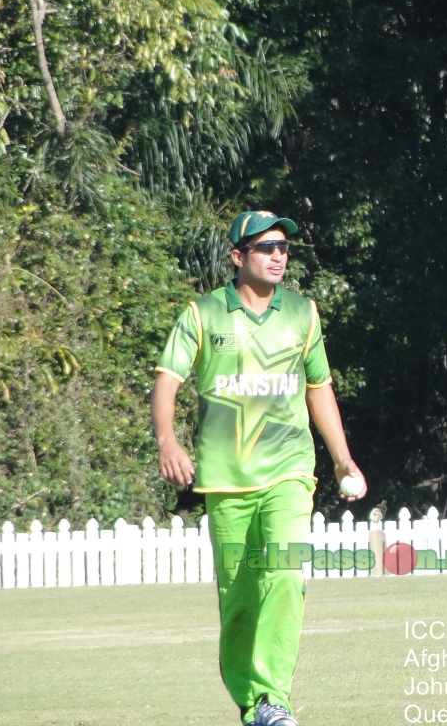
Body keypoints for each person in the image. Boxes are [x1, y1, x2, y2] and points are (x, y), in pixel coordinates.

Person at [151, 210, 366, 726]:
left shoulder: (303, 313)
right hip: (226, 480)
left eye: (284, 248)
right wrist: (167, 441)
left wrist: (341, 458)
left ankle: (274, 698)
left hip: (291, 472)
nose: (278, 256)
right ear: (237, 256)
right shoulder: (202, 314)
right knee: (241, 598)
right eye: (266, 247)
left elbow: (319, 388)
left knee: (286, 574)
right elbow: (168, 377)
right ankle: (253, 706)